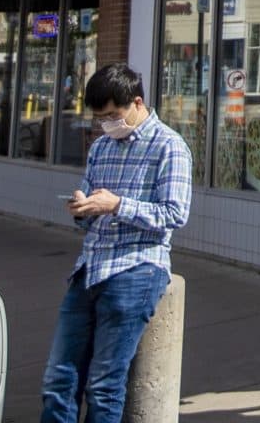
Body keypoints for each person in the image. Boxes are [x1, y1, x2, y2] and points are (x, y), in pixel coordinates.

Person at [41, 63, 192, 423]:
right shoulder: (101, 148)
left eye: (113, 115)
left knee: (105, 385)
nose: (108, 124)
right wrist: (84, 208)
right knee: (59, 377)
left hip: (136, 270)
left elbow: (175, 213)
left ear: (137, 103)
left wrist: (118, 205)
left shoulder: (169, 146)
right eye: (100, 118)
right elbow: (94, 205)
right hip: (90, 268)